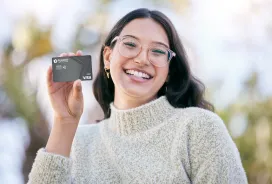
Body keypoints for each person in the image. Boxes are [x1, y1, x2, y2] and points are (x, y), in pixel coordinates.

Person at [27, 8, 248, 184]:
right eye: (131, 44)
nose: (142, 59)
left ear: (169, 70)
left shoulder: (199, 128)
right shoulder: (77, 143)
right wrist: (64, 122)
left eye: (158, 51)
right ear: (107, 57)